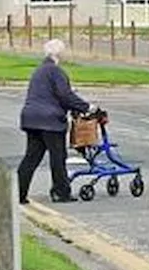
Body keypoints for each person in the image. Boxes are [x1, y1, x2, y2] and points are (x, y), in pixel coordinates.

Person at [16, 39, 92, 204]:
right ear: (59, 54)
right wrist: (86, 107)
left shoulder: (39, 71)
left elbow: (50, 93)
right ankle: (61, 192)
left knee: (31, 158)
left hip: (31, 118)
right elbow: (65, 96)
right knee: (58, 157)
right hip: (51, 121)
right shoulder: (56, 71)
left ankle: (18, 194)